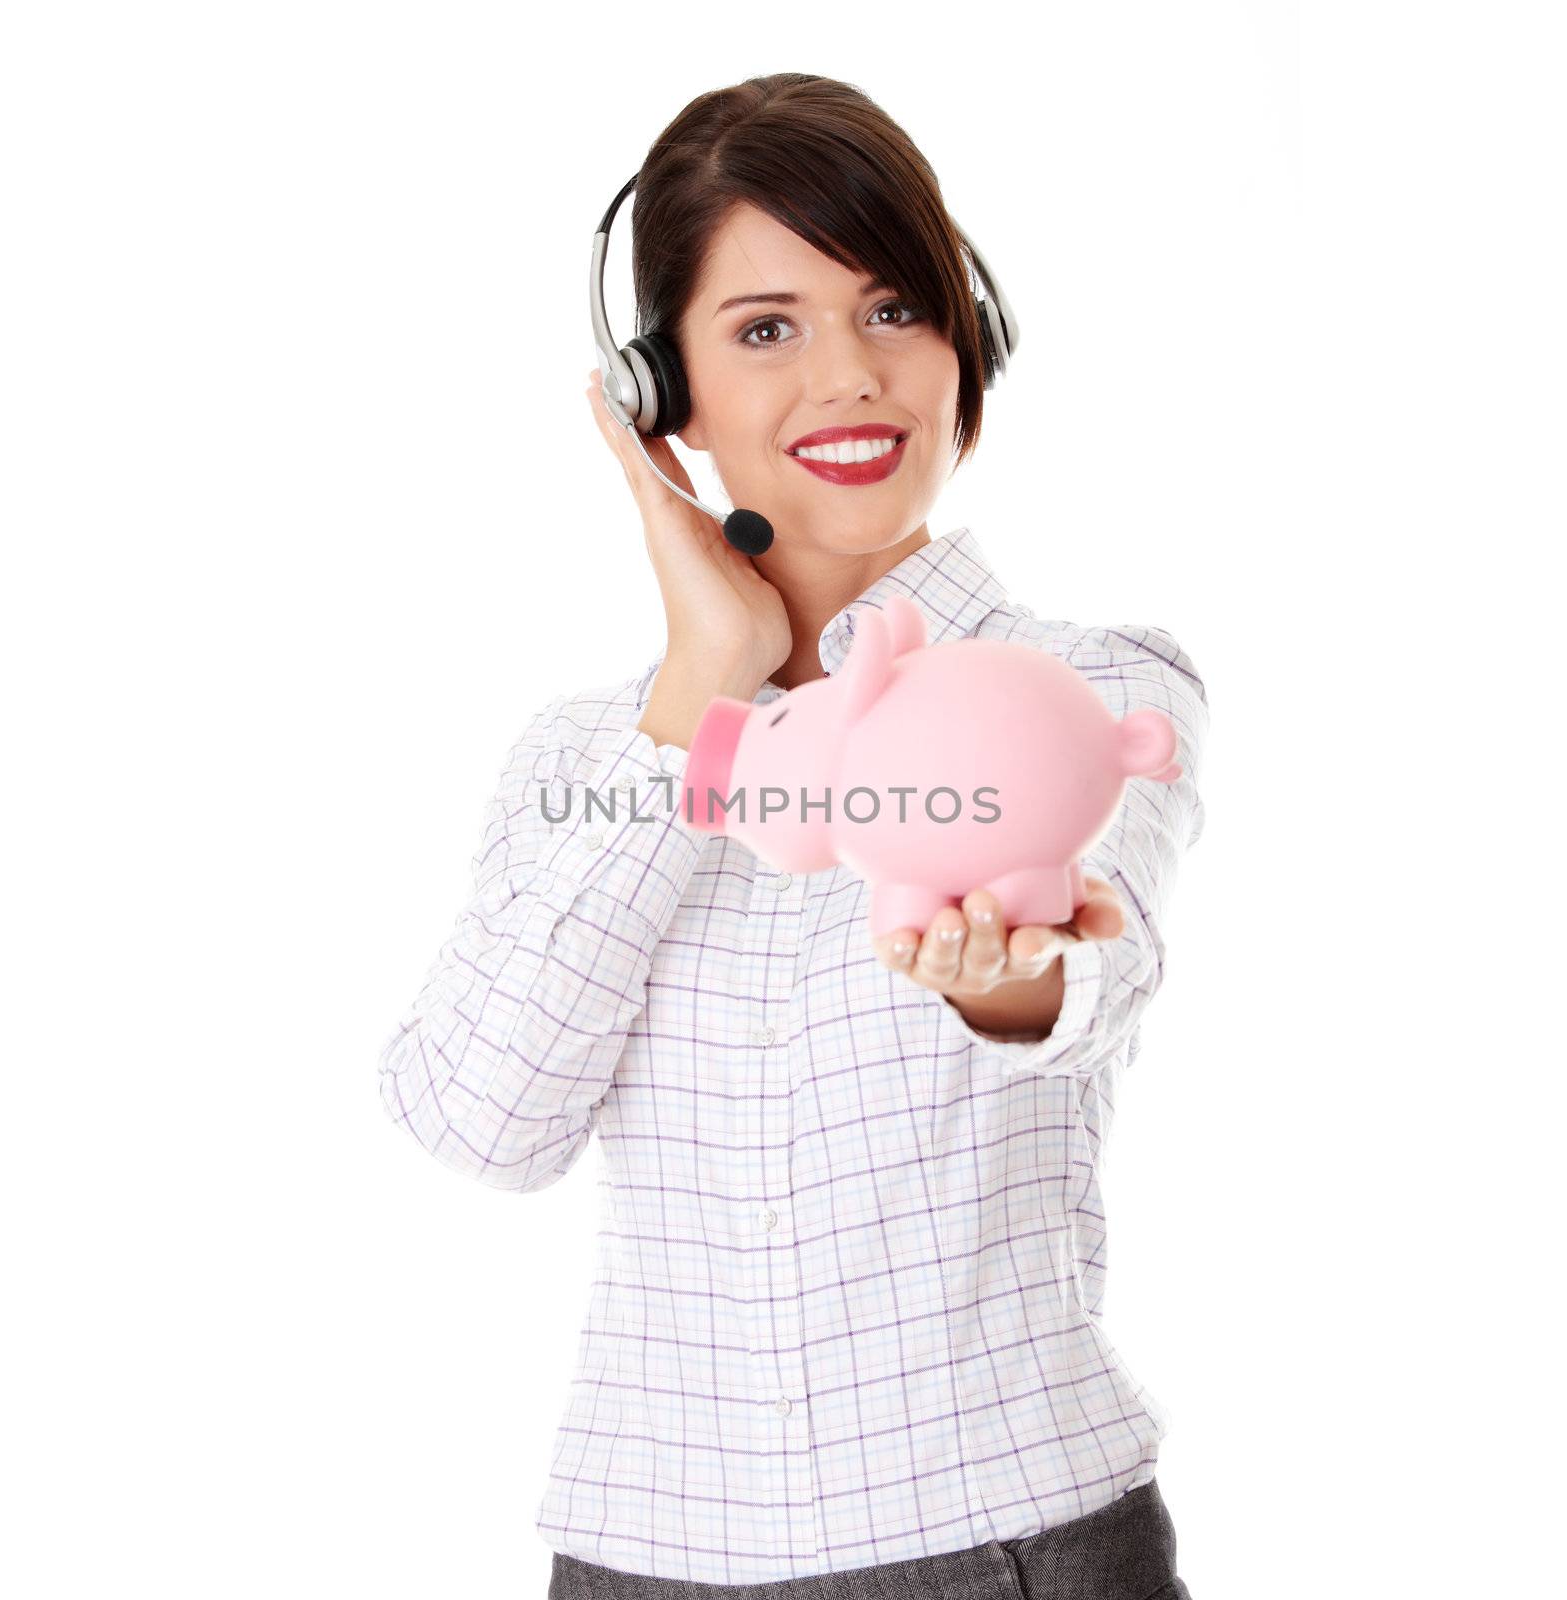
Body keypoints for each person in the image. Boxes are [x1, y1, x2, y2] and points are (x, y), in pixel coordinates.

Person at [378, 73, 1206, 1600]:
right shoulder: (588, 755)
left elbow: (1092, 970)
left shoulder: (1095, 685)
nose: (851, 377)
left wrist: (999, 973)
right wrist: (707, 686)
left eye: (894, 311)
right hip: (643, 1558)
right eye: (766, 328)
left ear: (973, 344)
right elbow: (482, 1125)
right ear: (660, 395)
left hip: (1007, 1542)